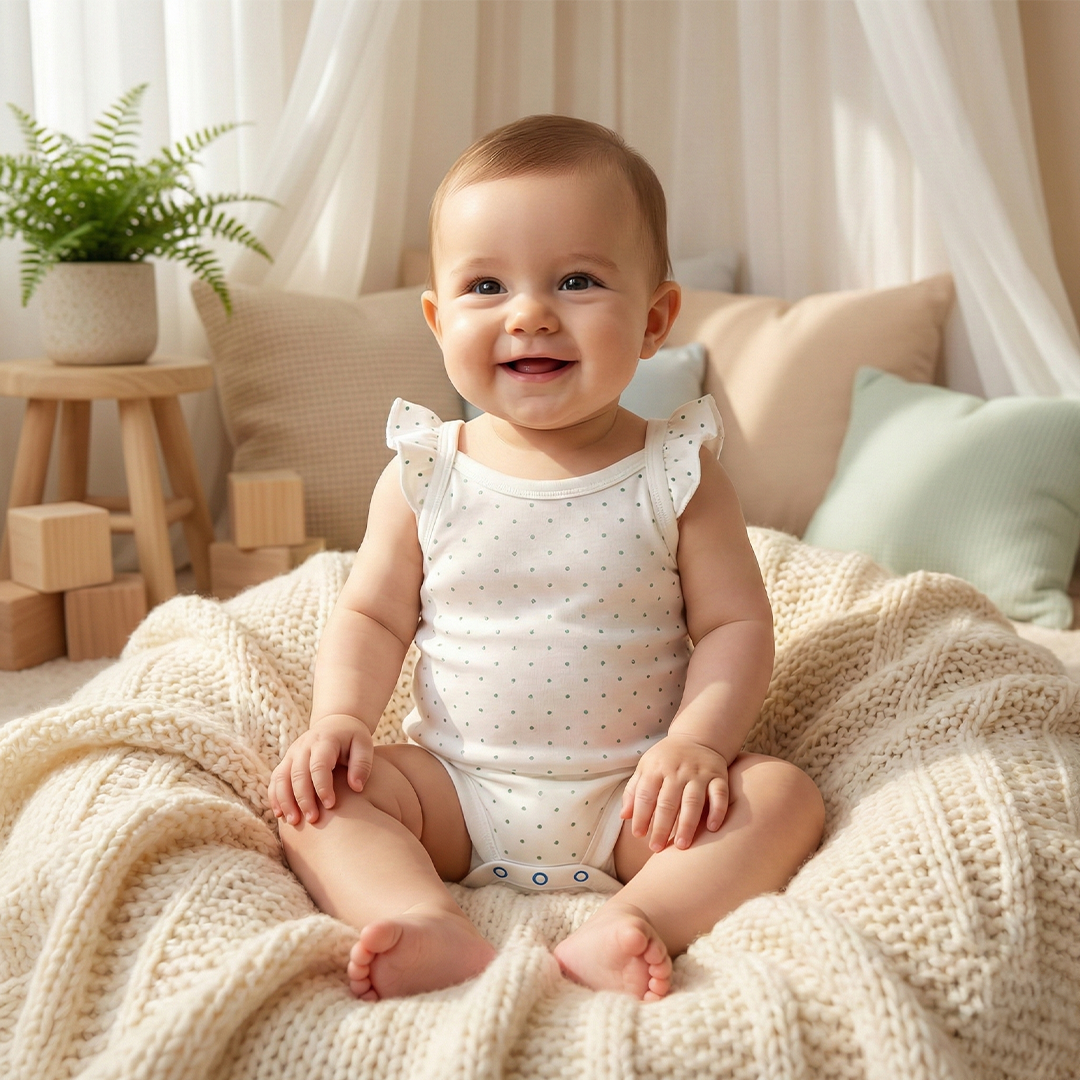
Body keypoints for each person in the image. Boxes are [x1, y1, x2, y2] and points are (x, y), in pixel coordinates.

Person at [268, 115, 825, 1003]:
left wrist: (695, 746)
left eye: (576, 280)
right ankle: (423, 915)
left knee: (784, 797)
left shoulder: (677, 472)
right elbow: (372, 615)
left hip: (637, 800)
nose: (530, 312)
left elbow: (734, 625)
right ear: (438, 318)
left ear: (654, 320)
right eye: (486, 285)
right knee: (318, 802)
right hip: (454, 789)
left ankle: (635, 922)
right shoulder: (426, 471)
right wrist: (338, 718)